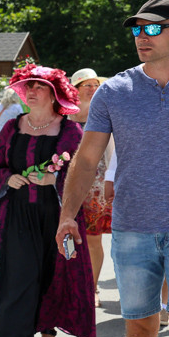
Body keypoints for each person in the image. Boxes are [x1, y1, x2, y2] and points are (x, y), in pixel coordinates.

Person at [55, 0, 169, 337]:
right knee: (139, 334)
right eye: (137, 29)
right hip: (132, 229)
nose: (142, 36)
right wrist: (69, 214)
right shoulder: (114, 90)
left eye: (154, 27)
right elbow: (87, 159)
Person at [0, 65, 96, 337]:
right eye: (27, 86)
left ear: (54, 93)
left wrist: (54, 179)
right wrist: (8, 178)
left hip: (56, 213)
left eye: (38, 87)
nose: (30, 92)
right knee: (21, 273)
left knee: (52, 271)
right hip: (17, 213)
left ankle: (47, 326)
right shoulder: (11, 127)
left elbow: (79, 171)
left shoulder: (70, 130)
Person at [69, 68, 113, 308]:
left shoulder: (105, 113)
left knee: (93, 240)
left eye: (95, 84)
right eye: (86, 84)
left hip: (96, 186)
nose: (92, 88)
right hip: (69, 185)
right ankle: (70, 286)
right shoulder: (65, 116)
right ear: (75, 89)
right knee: (68, 238)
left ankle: (92, 287)